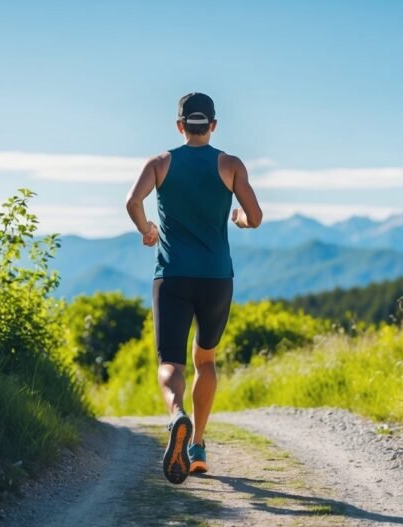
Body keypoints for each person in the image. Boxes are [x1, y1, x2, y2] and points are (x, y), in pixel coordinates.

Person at [125, 92, 263, 484]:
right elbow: (255, 216)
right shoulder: (231, 164)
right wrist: (237, 219)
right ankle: (198, 445)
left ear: (179, 125)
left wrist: (148, 229)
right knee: (206, 360)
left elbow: (133, 202)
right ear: (214, 126)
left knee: (170, 362)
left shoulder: (159, 163)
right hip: (217, 277)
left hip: (172, 276)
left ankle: (176, 415)